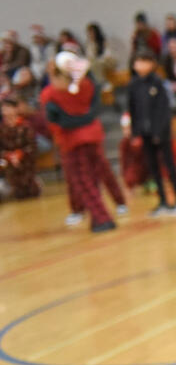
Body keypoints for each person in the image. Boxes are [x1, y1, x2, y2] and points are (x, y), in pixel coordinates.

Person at [42, 53, 127, 231]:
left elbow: (56, 121)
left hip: (72, 141)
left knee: (82, 181)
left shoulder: (51, 94)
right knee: (99, 173)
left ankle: (101, 217)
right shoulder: (87, 85)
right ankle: (116, 203)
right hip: (93, 135)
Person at [123, 48, 176, 217]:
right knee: (153, 168)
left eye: (144, 61)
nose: (140, 65)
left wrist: (159, 132)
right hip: (144, 133)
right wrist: (135, 131)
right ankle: (162, 202)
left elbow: (163, 110)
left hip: (161, 132)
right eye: (138, 61)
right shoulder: (133, 85)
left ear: (152, 64)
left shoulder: (158, 83)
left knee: (169, 165)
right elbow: (132, 109)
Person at [0, 97, 41, 200]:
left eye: (8, 107)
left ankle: (34, 181)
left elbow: (32, 145)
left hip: (25, 158)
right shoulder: (1, 128)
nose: (6, 111)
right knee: (18, 194)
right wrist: (8, 155)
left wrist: (20, 154)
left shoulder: (25, 126)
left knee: (31, 192)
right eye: (4, 108)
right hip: (8, 159)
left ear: (15, 109)